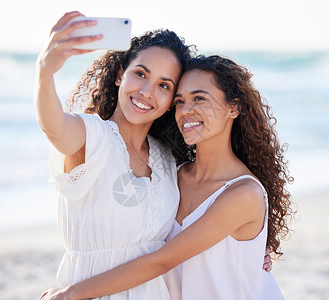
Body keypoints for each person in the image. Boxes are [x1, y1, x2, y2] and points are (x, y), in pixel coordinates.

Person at [39, 54, 293, 300]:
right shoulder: (173, 174)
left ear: (234, 107)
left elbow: (162, 260)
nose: (186, 111)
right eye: (180, 101)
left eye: (200, 99)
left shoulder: (243, 194)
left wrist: (72, 292)